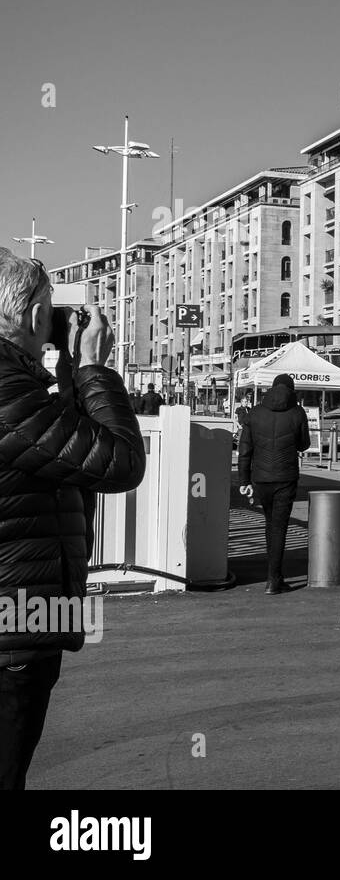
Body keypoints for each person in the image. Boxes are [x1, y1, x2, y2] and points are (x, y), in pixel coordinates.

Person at [0, 249, 146, 790]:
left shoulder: (20, 390)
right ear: (35, 316)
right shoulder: (7, 391)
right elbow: (119, 461)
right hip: (14, 631)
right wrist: (93, 370)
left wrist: (66, 378)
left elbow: (64, 457)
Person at [238, 374, 310, 594]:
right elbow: (304, 444)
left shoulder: (255, 413)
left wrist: (244, 480)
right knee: (279, 527)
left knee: (270, 524)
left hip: (261, 478)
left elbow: (244, 451)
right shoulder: (298, 412)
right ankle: (273, 579)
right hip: (286, 477)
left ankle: (274, 576)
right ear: (292, 390)